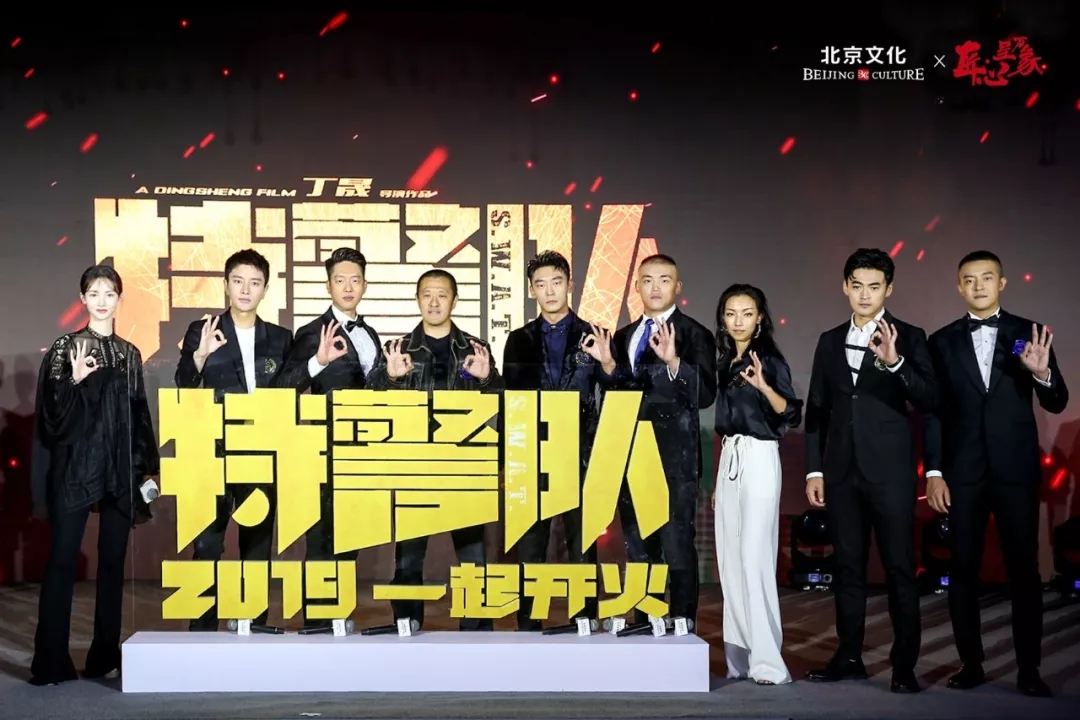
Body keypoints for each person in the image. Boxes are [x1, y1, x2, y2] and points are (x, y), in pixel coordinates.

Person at [923, 250, 1067, 698]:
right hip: (962, 473)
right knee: (962, 569)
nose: (978, 286)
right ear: (959, 286)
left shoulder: (1029, 333)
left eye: (987, 278)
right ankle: (970, 663)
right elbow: (934, 413)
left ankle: (1029, 669)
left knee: (1023, 569)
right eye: (969, 279)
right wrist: (935, 472)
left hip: (1015, 470)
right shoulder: (941, 341)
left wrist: (1042, 374)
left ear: (1002, 283)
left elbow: (1057, 401)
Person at [803, 248, 936, 693]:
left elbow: (929, 399)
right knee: (847, 568)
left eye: (874, 287)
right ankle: (849, 656)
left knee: (900, 568)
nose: (864, 295)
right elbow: (817, 410)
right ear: (845, 286)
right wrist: (814, 471)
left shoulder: (911, 336)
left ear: (889, 289)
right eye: (857, 285)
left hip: (891, 474)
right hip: (842, 472)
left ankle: (904, 666)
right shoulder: (828, 340)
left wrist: (896, 362)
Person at [29, 265, 159, 685]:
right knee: (61, 562)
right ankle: (51, 662)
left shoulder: (129, 354)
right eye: (94, 293)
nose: (102, 301)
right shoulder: (65, 348)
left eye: (110, 293)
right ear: (83, 298)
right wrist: (74, 381)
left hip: (118, 471)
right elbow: (52, 418)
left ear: (119, 299)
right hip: (76, 469)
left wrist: (146, 471)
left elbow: (139, 417)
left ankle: (104, 655)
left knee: (113, 565)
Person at [367, 269, 504, 631]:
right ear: (417, 299)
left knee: (473, 559)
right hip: (415, 469)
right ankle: (406, 627)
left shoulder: (475, 349)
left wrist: (488, 379)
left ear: (454, 301)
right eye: (427, 294)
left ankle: (477, 633)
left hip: (465, 469)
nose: (434, 302)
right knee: (408, 560)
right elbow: (369, 403)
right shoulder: (398, 349)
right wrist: (391, 378)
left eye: (442, 295)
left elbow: (502, 406)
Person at [175, 249, 293, 632]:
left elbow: (291, 389)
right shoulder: (204, 329)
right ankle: (202, 631)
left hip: (261, 452)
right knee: (207, 546)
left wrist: (317, 363)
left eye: (254, 283)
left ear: (265, 289)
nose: (245, 290)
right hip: (213, 452)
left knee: (256, 548)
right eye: (238, 281)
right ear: (226, 285)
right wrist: (199, 357)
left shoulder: (280, 338)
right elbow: (184, 383)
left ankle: (253, 626)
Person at [502, 251, 616, 631]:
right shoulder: (518, 341)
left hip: (580, 454)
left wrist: (607, 364)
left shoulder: (595, 336)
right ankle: (529, 626)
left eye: (556, 282)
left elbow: (616, 393)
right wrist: (509, 460)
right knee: (530, 545)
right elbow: (511, 405)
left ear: (570, 284)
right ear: (531, 290)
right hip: (532, 456)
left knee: (582, 543)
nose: (549, 291)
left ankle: (584, 622)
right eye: (541, 284)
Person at [273, 246, 382, 630]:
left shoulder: (370, 334)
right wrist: (318, 361)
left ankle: (338, 619)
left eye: (355, 280)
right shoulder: (312, 333)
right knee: (321, 542)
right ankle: (317, 625)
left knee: (351, 539)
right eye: (340, 280)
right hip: (323, 454)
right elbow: (282, 386)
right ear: (328, 286)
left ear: (364, 285)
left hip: (363, 453)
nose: (348, 287)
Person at [606, 254, 717, 627]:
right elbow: (616, 397)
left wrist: (674, 363)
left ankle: (683, 623)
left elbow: (705, 394)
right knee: (639, 546)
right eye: (648, 280)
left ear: (677, 287)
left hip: (675, 461)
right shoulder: (622, 337)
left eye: (664, 280)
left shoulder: (694, 334)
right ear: (636, 286)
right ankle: (645, 620)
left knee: (677, 544)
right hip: (631, 455)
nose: (655, 287)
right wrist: (607, 367)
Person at [710, 284, 801, 685]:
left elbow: (791, 413)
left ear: (760, 318)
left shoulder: (770, 360)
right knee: (730, 563)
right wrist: (720, 481)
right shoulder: (725, 361)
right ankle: (741, 660)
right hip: (730, 458)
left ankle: (768, 663)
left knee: (753, 558)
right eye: (731, 313)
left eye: (747, 313)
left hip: (761, 457)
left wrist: (765, 386)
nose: (738, 321)